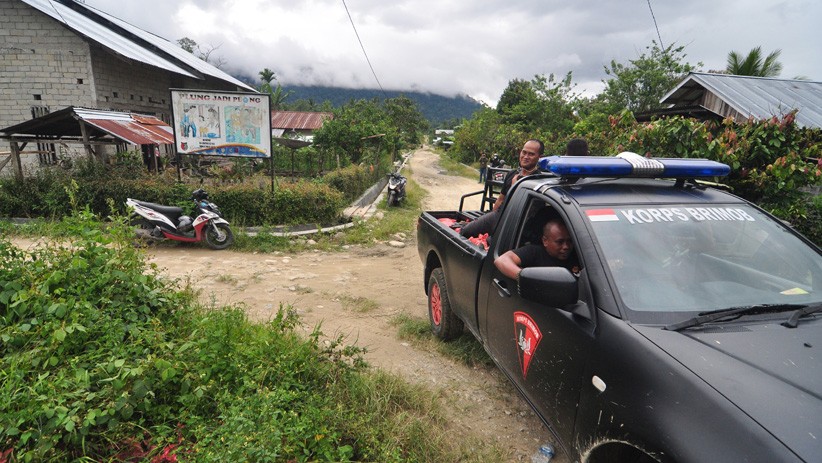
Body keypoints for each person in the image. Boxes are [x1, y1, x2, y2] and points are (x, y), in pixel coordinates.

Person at [459, 139, 548, 238]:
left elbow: (530, 212)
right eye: (524, 152)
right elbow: (501, 199)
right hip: (499, 215)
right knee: (465, 231)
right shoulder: (512, 174)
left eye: (531, 154)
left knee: (492, 242)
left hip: (518, 223)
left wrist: (515, 187)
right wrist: (490, 218)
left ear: (540, 157)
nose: (525, 157)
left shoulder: (538, 180)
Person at [494, 218, 580, 280]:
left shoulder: (579, 255)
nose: (566, 246)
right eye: (560, 242)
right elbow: (502, 260)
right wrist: (524, 278)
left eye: (569, 241)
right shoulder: (534, 252)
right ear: (545, 241)